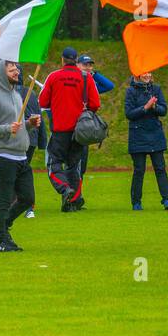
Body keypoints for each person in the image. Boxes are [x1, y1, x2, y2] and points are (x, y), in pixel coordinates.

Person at [0, 60, 38, 252]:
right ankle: (0, 242)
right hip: (2, 156)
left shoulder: (16, 95)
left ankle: (1, 227)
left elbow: (18, 125)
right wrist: (8, 128)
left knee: (27, 197)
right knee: (4, 200)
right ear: (1, 73)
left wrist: (30, 124)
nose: (17, 71)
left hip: (21, 156)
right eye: (11, 69)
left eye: (16, 68)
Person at [39, 46, 100, 212]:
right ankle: (72, 202)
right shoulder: (86, 78)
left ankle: (64, 188)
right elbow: (96, 104)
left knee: (53, 163)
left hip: (60, 130)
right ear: (77, 59)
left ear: (62, 59)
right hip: (79, 131)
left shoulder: (53, 77)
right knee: (75, 166)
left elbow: (43, 102)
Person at [125, 71, 168, 212]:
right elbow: (129, 114)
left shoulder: (156, 89)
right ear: (138, 74)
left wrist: (155, 107)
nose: (147, 75)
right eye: (144, 73)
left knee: (160, 168)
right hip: (137, 135)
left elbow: (164, 110)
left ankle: (166, 200)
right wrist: (145, 107)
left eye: (149, 72)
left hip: (155, 134)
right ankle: (136, 202)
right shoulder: (130, 91)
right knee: (139, 170)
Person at [76, 54, 115, 183]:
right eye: (84, 65)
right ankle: (71, 195)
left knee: (82, 164)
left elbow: (109, 85)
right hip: (72, 125)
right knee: (72, 163)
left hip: (85, 126)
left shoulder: (91, 84)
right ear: (77, 65)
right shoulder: (72, 81)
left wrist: (94, 74)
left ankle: (76, 196)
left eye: (90, 65)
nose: (88, 67)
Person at [14, 73, 46, 218]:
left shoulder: (8, 93)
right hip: (32, 138)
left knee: (15, 172)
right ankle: (27, 206)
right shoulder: (31, 93)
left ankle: (22, 205)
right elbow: (39, 116)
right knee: (23, 170)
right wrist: (42, 140)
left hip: (17, 139)